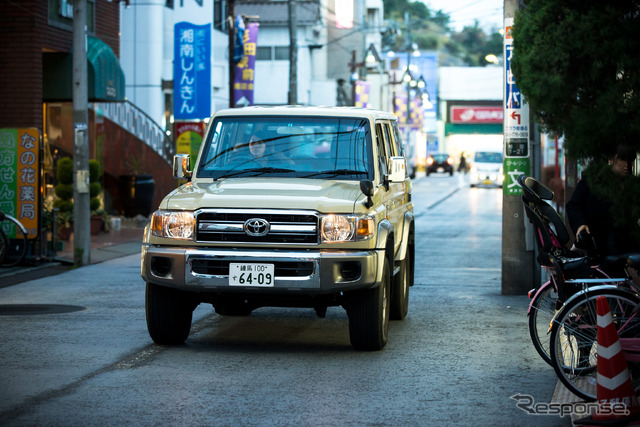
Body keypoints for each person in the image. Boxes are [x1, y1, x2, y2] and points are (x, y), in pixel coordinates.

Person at [566, 145, 639, 257]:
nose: (627, 165)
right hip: (601, 243)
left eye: (631, 161)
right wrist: (581, 224)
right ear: (610, 159)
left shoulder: (633, 184)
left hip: (627, 243)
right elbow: (573, 205)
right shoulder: (593, 181)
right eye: (622, 160)